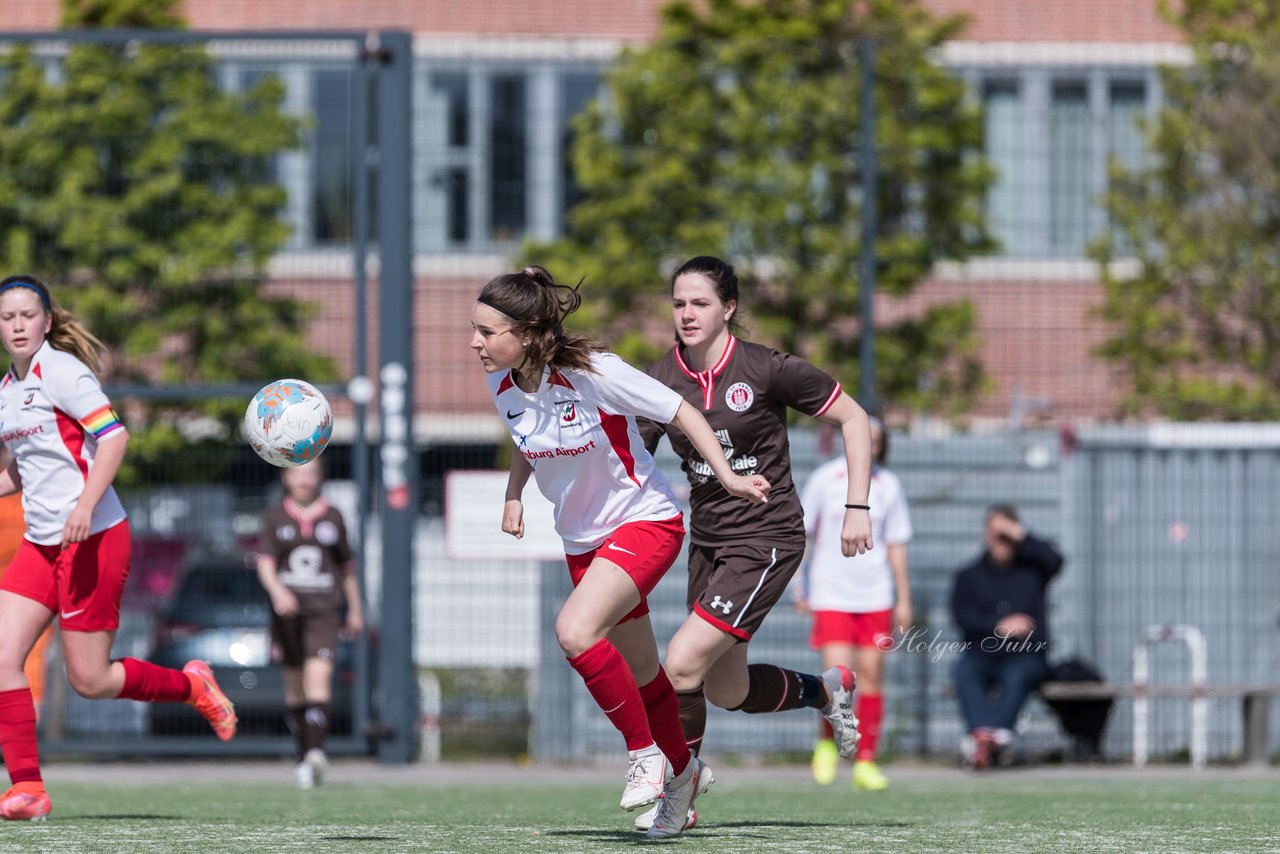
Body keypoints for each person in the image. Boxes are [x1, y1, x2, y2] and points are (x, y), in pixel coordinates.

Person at [470, 265, 770, 839]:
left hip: (644, 521)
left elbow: (680, 410)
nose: (475, 342)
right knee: (643, 673)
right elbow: (523, 436)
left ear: (529, 333)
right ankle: (683, 778)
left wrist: (728, 475)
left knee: (575, 632)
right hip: (582, 541)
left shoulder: (594, 372)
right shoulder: (502, 382)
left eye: (487, 332)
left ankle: (645, 755)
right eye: (475, 329)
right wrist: (514, 494)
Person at [636, 255, 872, 830]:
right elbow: (628, 456)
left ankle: (679, 799)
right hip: (709, 543)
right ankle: (826, 691)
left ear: (729, 308)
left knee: (682, 662)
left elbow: (855, 417)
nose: (687, 314)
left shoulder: (765, 368)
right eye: (679, 303)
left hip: (766, 536)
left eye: (700, 303)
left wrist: (856, 507)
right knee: (724, 688)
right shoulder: (660, 380)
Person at [0, 275, 236, 821]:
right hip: (42, 546)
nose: (16, 325)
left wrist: (84, 505)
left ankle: (191, 685)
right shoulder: (8, 391)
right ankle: (28, 789)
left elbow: (115, 437)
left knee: (91, 680)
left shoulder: (62, 371)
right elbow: (20, 472)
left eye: (26, 315)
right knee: (3, 659)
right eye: (7, 317)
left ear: (46, 322)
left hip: (95, 539)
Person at [796, 415, 912, 791]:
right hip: (831, 594)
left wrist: (903, 599)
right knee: (837, 677)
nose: (868, 444)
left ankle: (866, 759)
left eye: (875, 440)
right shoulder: (824, 480)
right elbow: (804, 536)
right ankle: (827, 745)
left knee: (873, 675)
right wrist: (801, 586)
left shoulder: (889, 485)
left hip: (875, 596)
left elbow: (896, 545)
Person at [256, 458, 363, 789]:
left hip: (324, 611)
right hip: (287, 615)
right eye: (297, 473)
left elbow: (346, 568)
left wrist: (355, 609)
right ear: (285, 476)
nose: (304, 479)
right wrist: (277, 591)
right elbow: (265, 562)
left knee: (319, 678)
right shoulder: (274, 517)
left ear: (320, 477)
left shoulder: (333, 517)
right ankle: (303, 755)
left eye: (311, 473)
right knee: (295, 687)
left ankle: (316, 752)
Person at [949, 503, 1063, 768]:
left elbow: (1056, 561)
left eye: (1007, 535)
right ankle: (986, 736)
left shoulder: (1033, 571)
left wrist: (1017, 532)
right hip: (983, 655)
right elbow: (962, 617)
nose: (1001, 541)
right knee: (965, 670)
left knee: (1017, 674)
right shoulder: (968, 576)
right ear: (985, 535)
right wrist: (998, 627)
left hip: (1027, 656)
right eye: (996, 533)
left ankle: (987, 739)